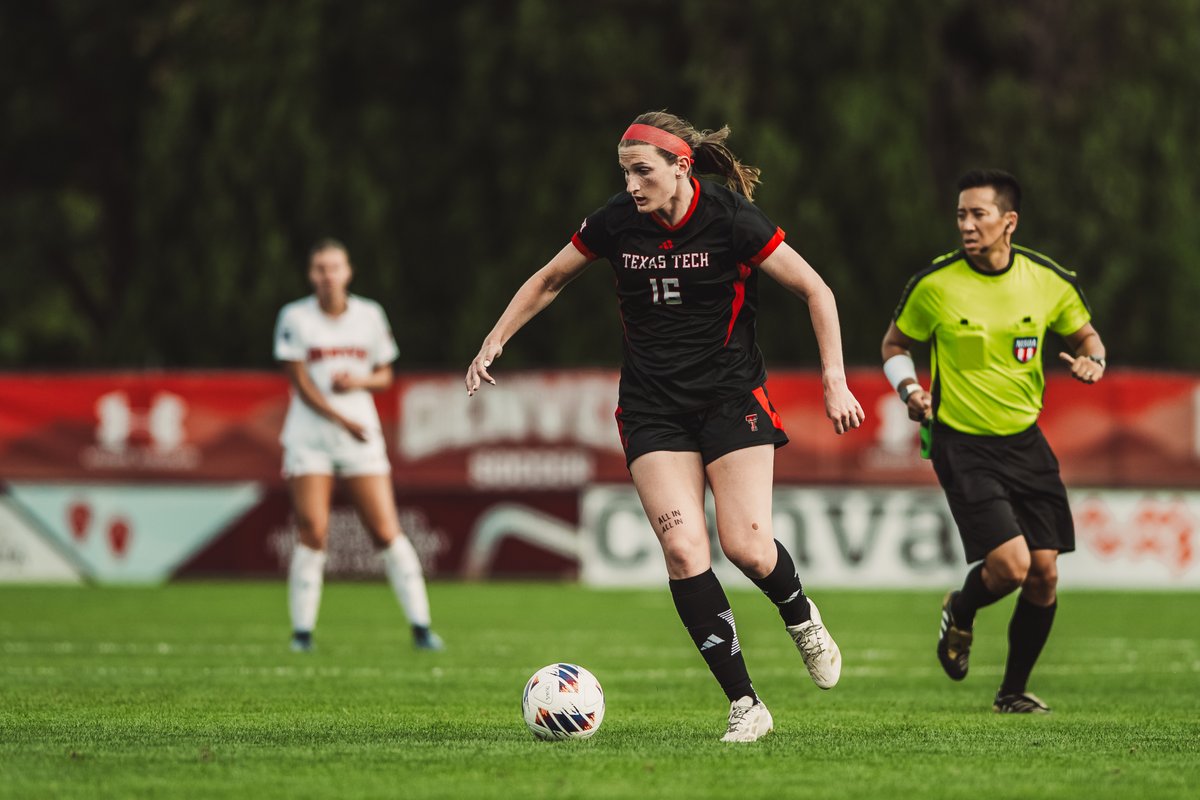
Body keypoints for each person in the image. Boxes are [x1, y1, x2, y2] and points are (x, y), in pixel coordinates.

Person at [466, 111, 865, 742]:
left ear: (681, 167)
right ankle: (745, 704)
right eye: (624, 171)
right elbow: (549, 281)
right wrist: (494, 340)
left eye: (642, 170)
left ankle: (800, 615)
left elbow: (817, 291)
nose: (630, 184)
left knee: (747, 546)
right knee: (683, 551)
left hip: (731, 397)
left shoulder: (732, 218)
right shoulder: (615, 223)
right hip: (652, 407)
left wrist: (834, 379)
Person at [881, 169, 1107, 713]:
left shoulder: (1047, 280)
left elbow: (1087, 336)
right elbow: (894, 344)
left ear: (1009, 222)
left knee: (1045, 574)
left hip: (1026, 442)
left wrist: (1094, 361)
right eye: (961, 214)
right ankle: (961, 610)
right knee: (1011, 566)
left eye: (978, 214)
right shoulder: (934, 284)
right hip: (962, 443)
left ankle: (1011, 692)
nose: (966, 224)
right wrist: (909, 389)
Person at [274, 239, 443, 652]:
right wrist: (341, 417)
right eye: (319, 268)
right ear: (311, 275)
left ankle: (421, 627)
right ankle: (302, 634)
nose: (327, 276)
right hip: (310, 437)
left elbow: (385, 375)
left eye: (334, 267)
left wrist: (358, 384)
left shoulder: (369, 315)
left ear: (347, 272)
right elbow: (300, 382)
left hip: (360, 437)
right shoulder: (295, 317)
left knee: (386, 530)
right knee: (313, 530)